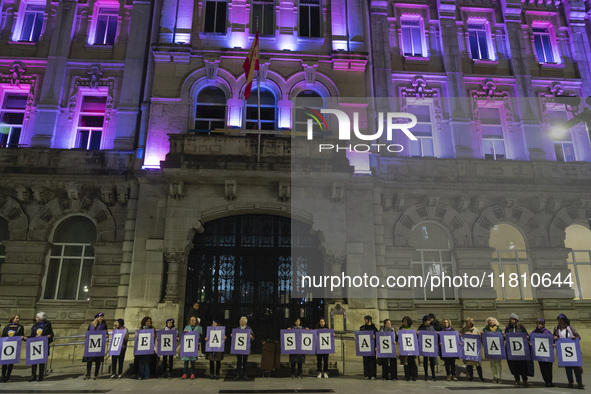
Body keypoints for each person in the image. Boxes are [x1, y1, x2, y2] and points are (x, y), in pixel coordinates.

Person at [553, 314, 584, 389]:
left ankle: (579, 382)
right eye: (558, 319)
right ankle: (570, 382)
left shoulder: (570, 328)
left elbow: (578, 337)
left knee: (576, 367)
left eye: (561, 319)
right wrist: (555, 338)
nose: (560, 321)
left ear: (564, 320)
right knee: (568, 368)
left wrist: (574, 337)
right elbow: (553, 337)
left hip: (572, 350)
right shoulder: (556, 328)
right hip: (563, 351)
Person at [28, 312, 54, 382]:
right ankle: (33, 375)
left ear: (41, 318)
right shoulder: (35, 326)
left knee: (41, 361)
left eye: (37, 317)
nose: (36, 318)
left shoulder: (47, 324)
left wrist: (49, 336)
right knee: (34, 361)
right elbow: (32, 334)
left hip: (43, 344)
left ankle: (40, 376)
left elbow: (50, 333)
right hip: (35, 344)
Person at [505, 313, 529, 387]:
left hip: (521, 350)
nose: (512, 320)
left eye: (514, 319)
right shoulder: (508, 328)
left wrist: (527, 337)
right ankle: (516, 379)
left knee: (522, 365)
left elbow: (527, 335)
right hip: (512, 349)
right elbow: (505, 337)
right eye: (511, 319)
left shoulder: (521, 328)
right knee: (514, 365)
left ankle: (524, 379)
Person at [1, 314, 24, 383]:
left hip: (14, 346)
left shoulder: (20, 327)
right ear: (12, 319)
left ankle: (8, 376)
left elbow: (21, 335)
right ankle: (3, 376)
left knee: (11, 362)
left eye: (18, 318)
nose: (18, 320)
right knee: (4, 362)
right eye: (16, 318)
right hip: (6, 346)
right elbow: (3, 336)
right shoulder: (7, 327)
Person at [85, 312, 108, 380]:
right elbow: (88, 331)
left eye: (102, 317)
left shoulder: (104, 324)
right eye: (100, 317)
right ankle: (88, 374)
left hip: (99, 344)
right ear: (97, 317)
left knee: (98, 360)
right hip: (91, 344)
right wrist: (86, 334)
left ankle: (96, 374)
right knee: (89, 360)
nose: (101, 318)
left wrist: (106, 335)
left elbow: (106, 332)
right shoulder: (91, 325)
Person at [531, 318, 553, 387]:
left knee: (549, 368)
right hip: (540, 353)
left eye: (540, 324)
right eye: (537, 324)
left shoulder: (547, 332)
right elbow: (530, 340)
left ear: (543, 325)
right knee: (543, 368)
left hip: (548, 353)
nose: (538, 325)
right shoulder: (534, 332)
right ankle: (546, 381)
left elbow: (552, 340)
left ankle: (550, 381)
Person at [461, 317, 484, 382]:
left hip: (475, 349)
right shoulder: (464, 329)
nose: (466, 323)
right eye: (466, 322)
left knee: (478, 365)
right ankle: (471, 377)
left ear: (471, 323)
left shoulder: (476, 330)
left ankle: (481, 377)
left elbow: (479, 339)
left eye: (467, 322)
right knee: (469, 364)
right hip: (468, 349)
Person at [232, 316, 254, 381]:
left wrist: (251, 336)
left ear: (245, 322)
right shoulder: (237, 329)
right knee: (239, 361)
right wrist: (232, 335)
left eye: (241, 321)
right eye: (240, 320)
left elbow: (253, 337)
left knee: (245, 362)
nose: (240, 322)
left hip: (245, 348)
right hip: (239, 348)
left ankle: (245, 374)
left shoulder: (248, 329)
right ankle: (238, 374)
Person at [482, 317, 502, 383]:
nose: (491, 321)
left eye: (492, 320)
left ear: (495, 321)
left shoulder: (499, 330)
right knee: (492, 363)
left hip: (498, 348)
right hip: (490, 348)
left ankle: (499, 377)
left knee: (498, 363)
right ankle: (494, 376)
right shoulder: (485, 330)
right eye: (489, 320)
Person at [418, 315, 437, 381]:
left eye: (429, 320)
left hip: (431, 346)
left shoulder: (431, 327)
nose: (429, 322)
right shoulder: (421, 327)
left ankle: (433, 374)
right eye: (427, 320)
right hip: (424, 346)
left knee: (432, 361)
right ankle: (426, 374)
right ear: (424, 321)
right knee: (425, 360)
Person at [399, 316, 418, 381]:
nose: (405, 322)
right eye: (404, 321)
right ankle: (407, 376)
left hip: (412, 348)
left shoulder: (412, 329)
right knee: (406, 363)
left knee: (413, 362)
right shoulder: (401, 329)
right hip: (405, 348)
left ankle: (414, 376)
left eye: (406, 321)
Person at [360, 315, 378, 380]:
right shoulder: (362, 328)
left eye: (366, 319)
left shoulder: (374, 328)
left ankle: (373, 374)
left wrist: (375, 336)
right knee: (366, 361)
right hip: (365, 346)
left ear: (369, 320)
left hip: (372, 347)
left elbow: (378, 336)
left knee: (372, 361)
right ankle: (366, 374)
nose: (365, 321)